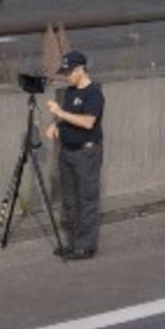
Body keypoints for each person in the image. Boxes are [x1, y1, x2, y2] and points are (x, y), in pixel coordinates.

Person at [45, 50, 104, 260]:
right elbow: (69, 117)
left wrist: (59, 113)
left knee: (86, 198)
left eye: (69, 72)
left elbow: (88, 121)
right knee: (69, 200)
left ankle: (85, 245)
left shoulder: (94, 94)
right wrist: (55, 124)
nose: (67, 76)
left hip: (86, 152)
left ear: (80, 69)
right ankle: (72, 242)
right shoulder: (71, 92)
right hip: (67, 151)